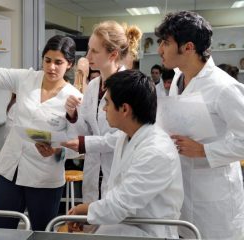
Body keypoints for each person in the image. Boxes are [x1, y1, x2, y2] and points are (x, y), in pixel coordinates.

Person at [0, 35, 83, 231]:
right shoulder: (27, 78)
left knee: (42, 233)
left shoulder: (74, 98)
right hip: (10, 171)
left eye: (58, 62)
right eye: (47, 60)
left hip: (44, 178)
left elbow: (76, 147)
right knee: (1, 231)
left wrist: (56, 152)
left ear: (69, 64)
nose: (51, 67)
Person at [156, 11, 244, 239]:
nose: (160, 50)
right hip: (182, 189)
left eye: (166, 43)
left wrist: (206, 151)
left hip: (216, 198)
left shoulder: (223, 87)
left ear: (188, 47)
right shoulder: (177, 79)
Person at [68, 70, 184, 238]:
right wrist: (92, 215)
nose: (104, 109)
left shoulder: (156, 151)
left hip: (149, 233)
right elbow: (115, 195)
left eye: (107, 103)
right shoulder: (126, 137)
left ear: (124, 109)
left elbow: (121, 204)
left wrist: (85, 211)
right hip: (124, 228)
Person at [62, 20, 142, 203]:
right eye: (88, 49)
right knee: (91, 223)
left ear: (113, 54)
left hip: (118, 170)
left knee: (112, 224)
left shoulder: (129, 87)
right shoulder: (92, 87)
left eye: (94, 51)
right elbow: (86, 131)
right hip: (92, 172)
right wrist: (73, 114)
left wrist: (85, 144)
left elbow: (124, 137)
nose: (87, 56)